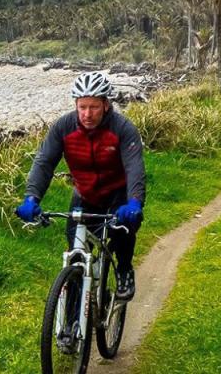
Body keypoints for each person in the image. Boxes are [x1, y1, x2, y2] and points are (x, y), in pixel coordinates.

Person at [16, 71, 146, 300]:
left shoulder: (122, 129)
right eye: (82, 106)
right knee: (76, 255)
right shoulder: (63, 128)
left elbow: (135, 168)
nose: (87, 114)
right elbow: (44, 163)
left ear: (106, 104)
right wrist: (31, 198)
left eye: (94, 107)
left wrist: (134, 202)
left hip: (118, 195)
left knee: (122, 235)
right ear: (76, 104)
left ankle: (124, 269)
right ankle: (73, 323)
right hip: (85, 195)